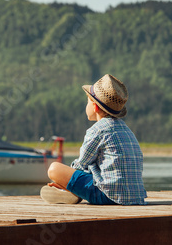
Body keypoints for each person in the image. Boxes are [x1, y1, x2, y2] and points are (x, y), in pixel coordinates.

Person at [40, 74, 147, 205]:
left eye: (87, 101)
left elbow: (80, 165)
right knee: (89, 169)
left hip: (108, 196)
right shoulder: (127, 130)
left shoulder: (97, 130)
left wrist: (63, 181)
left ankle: (71, 191)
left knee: (54, 168)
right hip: (136, 197)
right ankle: (73, 191)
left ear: (95, 107)